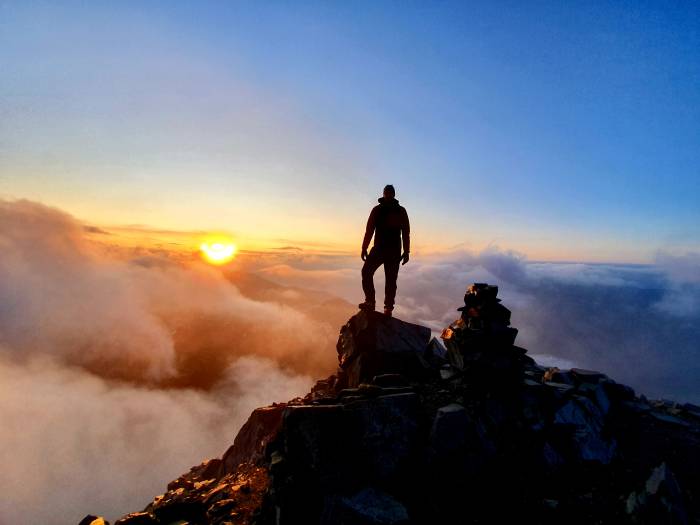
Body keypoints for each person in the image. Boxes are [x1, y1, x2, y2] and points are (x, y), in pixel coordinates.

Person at [358, 185, 410, 316]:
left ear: (390, 194)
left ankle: (383, 306)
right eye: (387, 193)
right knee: (371, 274)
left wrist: (407, 251)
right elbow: (369, 230)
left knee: (384, 278)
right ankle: (378, 305)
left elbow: (405, 232)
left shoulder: (381, 210)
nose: (388, 195)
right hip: (389, 250)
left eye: (389, 193)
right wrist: (364, 247)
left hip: (384, 249)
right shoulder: (396, 210)